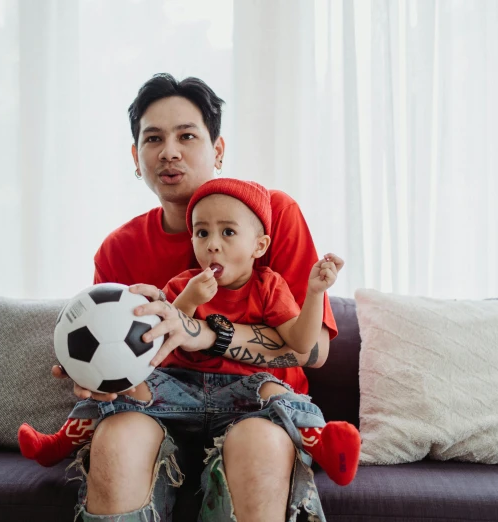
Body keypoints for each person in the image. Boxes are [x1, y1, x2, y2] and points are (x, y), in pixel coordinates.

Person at [44, 74, 340, 522]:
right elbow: (121, 361)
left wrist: (204, 334)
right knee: (117, 440)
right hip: (160, 406)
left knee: (258, 447)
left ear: (217, 150)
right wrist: (95, 373)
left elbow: (314, 349)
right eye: (153, 139)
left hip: (256, 409)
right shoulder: (118, 249)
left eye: (187, 136)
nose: (169, 151)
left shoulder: (270, 215)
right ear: (136, 157)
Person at [19, 178, 360, 488]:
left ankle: (322, 443)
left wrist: (314, 293)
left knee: (272, 387)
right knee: (129, 385)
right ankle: (62, 440)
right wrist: (190, 298)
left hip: (242, 396)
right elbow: (163, 339)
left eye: (228, 232)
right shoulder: (183, 283)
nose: (213, 245)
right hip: (180, 388)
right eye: (202, 233)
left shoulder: (270, 286)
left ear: (259, 245)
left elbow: (301, 344)